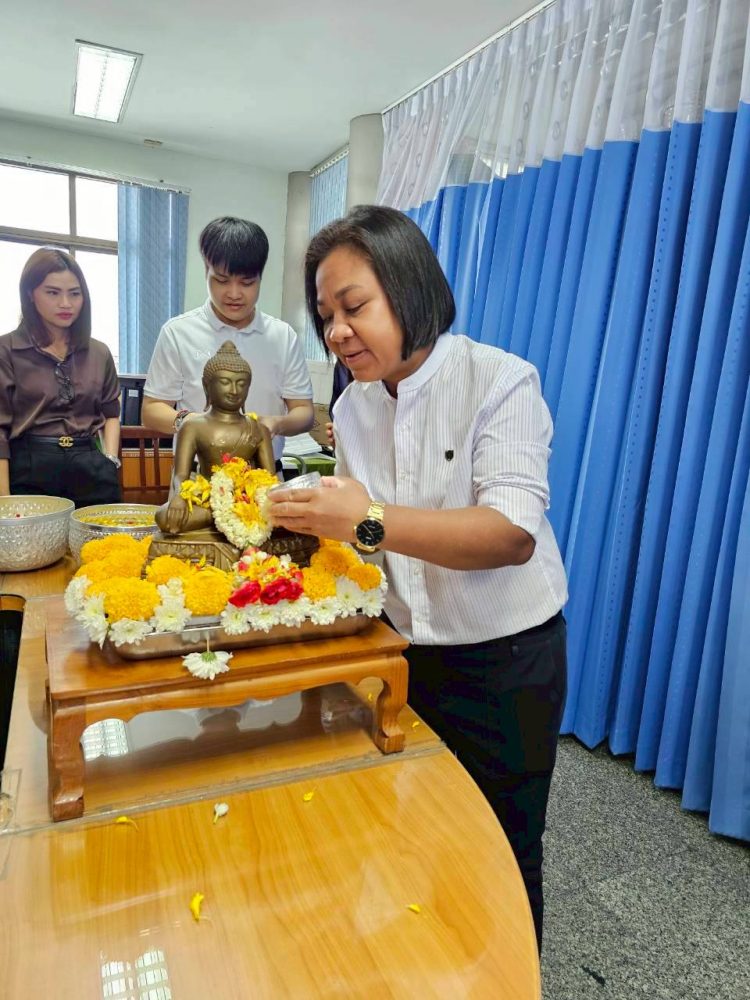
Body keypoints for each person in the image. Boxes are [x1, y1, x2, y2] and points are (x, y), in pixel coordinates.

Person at [269, 205, 568, 949]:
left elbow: (510, 534)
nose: (337, 332)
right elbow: (362, 548)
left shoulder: (499, 381)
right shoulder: (352, 406)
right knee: (414, 829)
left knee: (503, 849)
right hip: (404, 655)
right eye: (325, 315)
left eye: (354, 307)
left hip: (504, 661)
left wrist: (365, 519)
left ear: (409, 288)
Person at [142, 216, 314, 470]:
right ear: (206, 271)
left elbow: (304, 412)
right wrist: (193, 422)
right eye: (222, 280)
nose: (234, 294)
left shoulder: (283, 336)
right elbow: (152, 410)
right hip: (199, 477)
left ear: (260, 278)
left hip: (263, 476)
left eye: (247, 282)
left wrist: (275, 424)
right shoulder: (178, 332)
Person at [0, 247, 121, 506]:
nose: (66, 303)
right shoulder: (7, 350)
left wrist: (110, 461)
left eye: (74, 293)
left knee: (103, 533)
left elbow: (111, 412)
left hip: (91, 467)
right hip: (30, 467)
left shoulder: (99, 352)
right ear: (30, 294)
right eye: (53, 292)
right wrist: (4, 500)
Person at [155, 340, 276, 535]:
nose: (234, 391)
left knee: (288, 517)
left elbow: (269, 479)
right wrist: (179, 496)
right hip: (207, 500)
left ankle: (228, 520)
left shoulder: (258, 429)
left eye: (241, 384)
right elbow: (181, 475)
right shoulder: (193, 426)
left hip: (247, 502)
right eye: (225, 382)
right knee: (164, 516)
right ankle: (224, 518)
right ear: (207, 386)